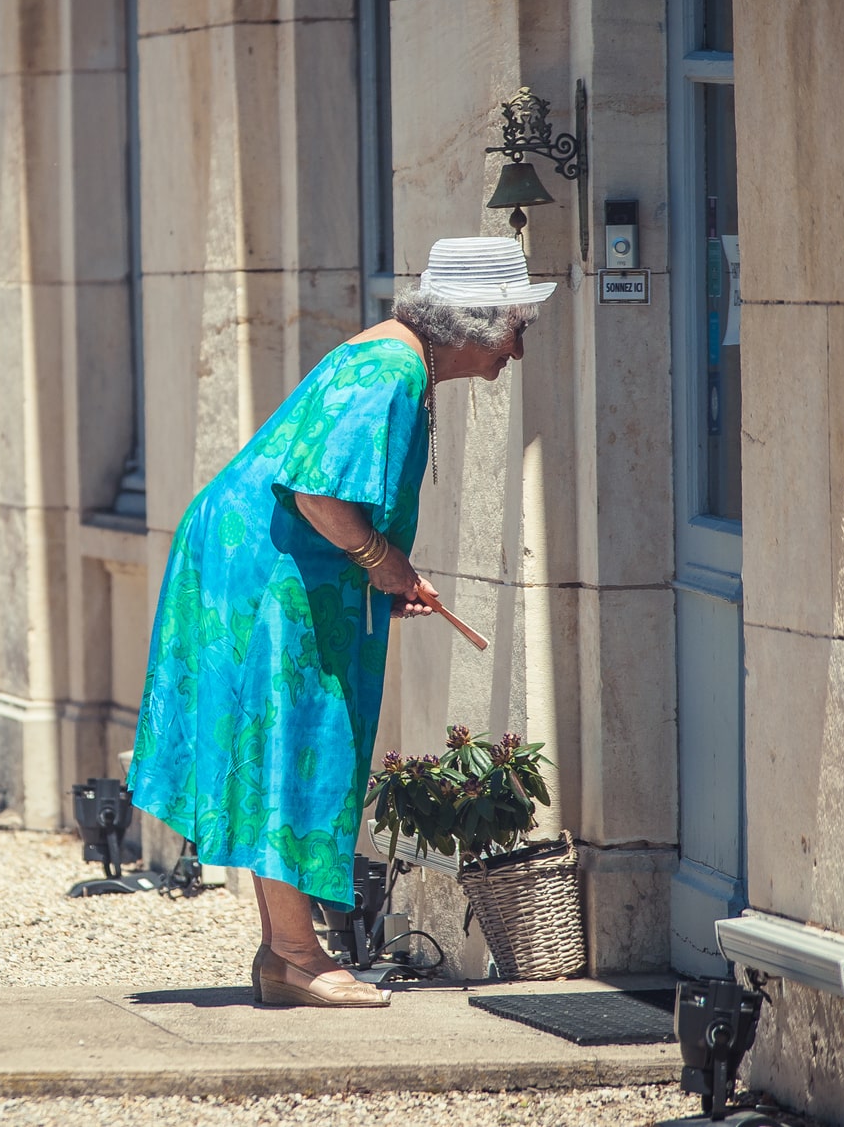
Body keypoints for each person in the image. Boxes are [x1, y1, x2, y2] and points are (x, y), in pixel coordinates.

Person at [126, 235, 552, 1007]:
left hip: (273, 562)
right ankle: (294, 956)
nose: (518, 349)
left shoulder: (395, 362)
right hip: (265, 570)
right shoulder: (391, 369)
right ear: (477, 322)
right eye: (519, 326)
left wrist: (379, 569)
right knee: (293, 743)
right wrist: (382, 560)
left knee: (285, 743)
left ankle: (287, 953)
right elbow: (320, 497)